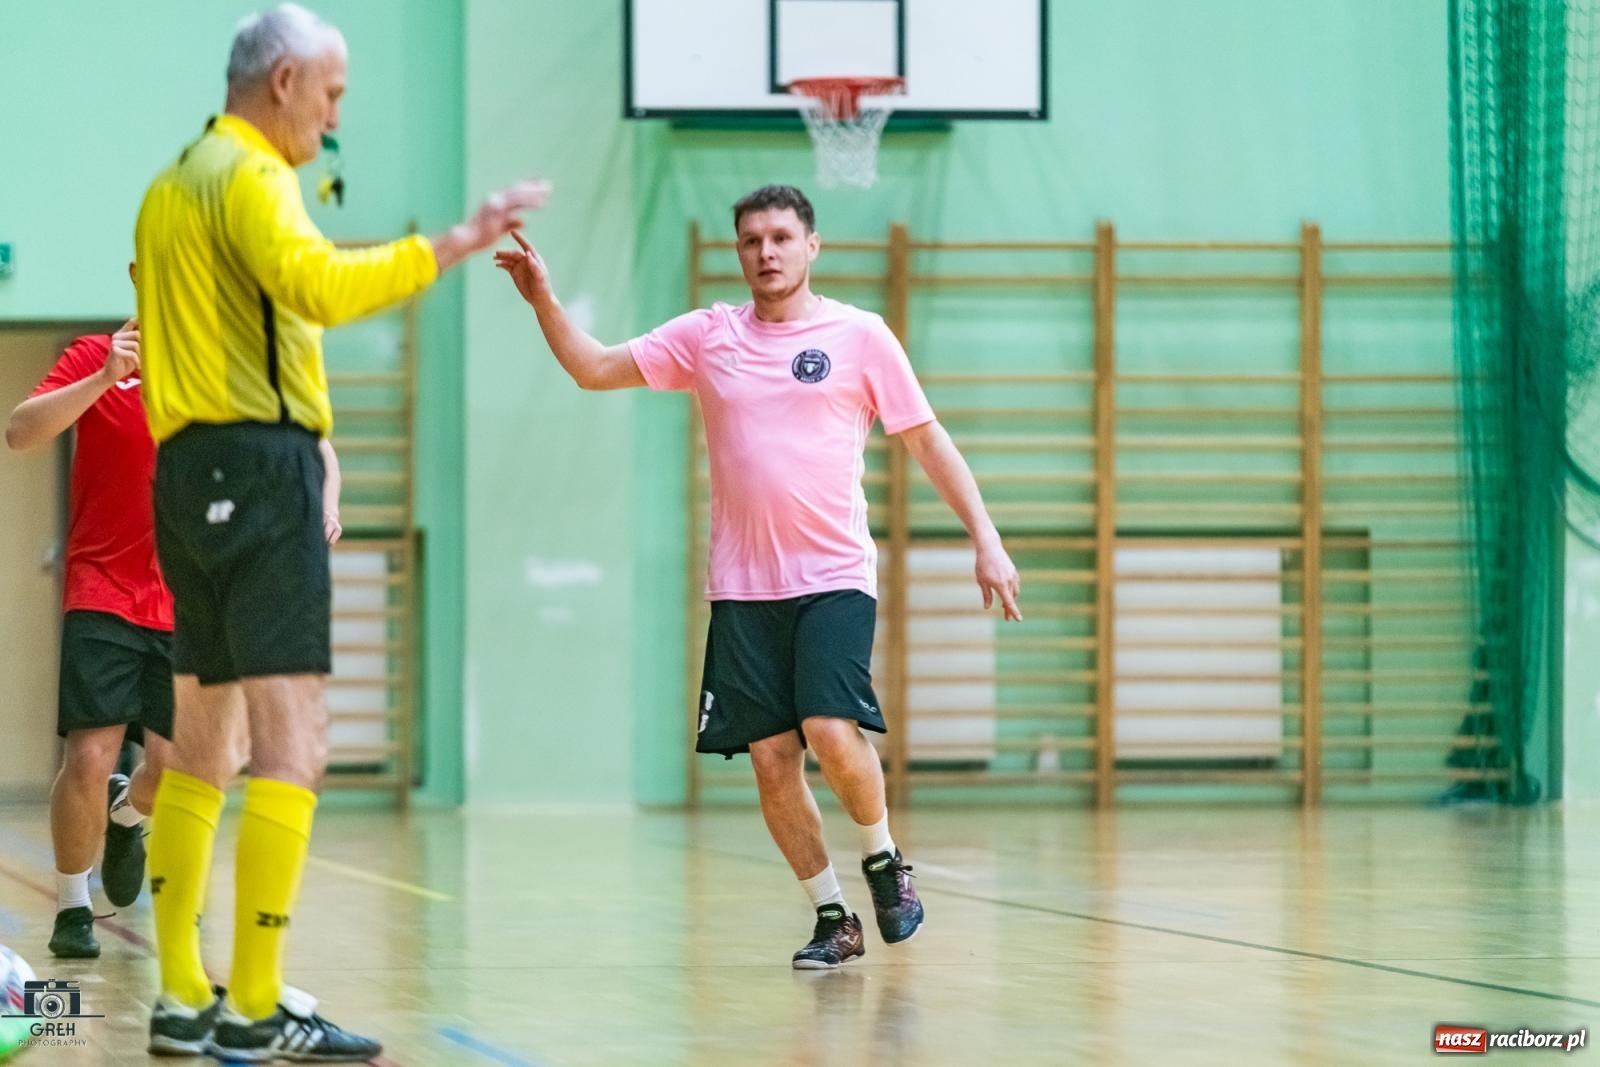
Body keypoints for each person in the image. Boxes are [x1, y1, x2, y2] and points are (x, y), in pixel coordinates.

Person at [133, 4, 550, 1058]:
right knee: (295, 742)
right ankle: (254, 1004)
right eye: (331, 92)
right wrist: (454, 240)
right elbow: (315, 285)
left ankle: (182, 995)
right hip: (256, 470)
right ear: (282, 81)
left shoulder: (170, 184)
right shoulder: (252, 175)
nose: (334, 115)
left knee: (200, 743)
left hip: (183, 473)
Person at [495, 184, 1021, 969]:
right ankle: (833, 916)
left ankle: (884, 860)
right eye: (751, 240)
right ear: (738, 251)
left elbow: (926, 438)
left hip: (834, 574)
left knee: (830, 728)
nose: (766, 252)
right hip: (743, 587)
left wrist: (986, 537)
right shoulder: (709, 336)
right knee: (773, 759)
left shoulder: (860, 336)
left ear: (812, 246)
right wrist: (543, 298)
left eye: (780, 237)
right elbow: (594, 368)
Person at [6, 309, 173, 959]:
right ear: (139, 274)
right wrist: (104, 377)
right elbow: (20, 431)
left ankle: (126, 816)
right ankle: (73, 906)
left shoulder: (218, 366)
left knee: (175, 768)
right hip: (102, 589)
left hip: (185, 600)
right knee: (88, 756)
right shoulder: (95, 355)